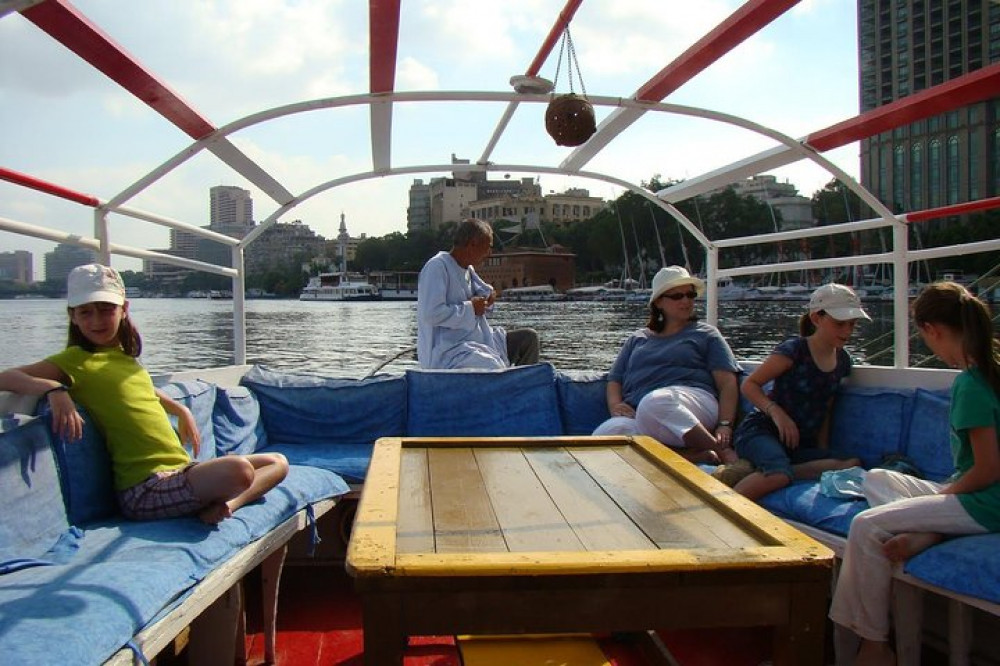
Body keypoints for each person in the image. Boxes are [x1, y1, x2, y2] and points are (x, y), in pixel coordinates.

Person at [0, 264, 288, 525]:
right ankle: (221, 502)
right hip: (143, 488)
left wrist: (180, 409)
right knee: (238, 470)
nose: (96, 320)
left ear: (123, 309)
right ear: (73, 317)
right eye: (86, 312)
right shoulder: (74, 360)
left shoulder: (125, 360)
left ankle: (226, 506)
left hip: (180, 472)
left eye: (106, 309)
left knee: (278, 462)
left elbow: (142, 391)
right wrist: (54, 388)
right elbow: (6, 377)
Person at [828, 282, 1000, 666]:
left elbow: (989, 469)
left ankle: (873, 645)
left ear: (932, 330)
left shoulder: (972, 384)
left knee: (867, 526)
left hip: (985, 502)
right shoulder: (989, 372)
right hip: (975, 493)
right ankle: (932, 530)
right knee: (877, 478)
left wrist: (943, 496)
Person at [729, 283, 865, 499]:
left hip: (798, 443)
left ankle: (766, 470)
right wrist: (778, 414)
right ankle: (724, 509)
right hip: (761, 431)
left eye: (852, 324)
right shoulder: (794, 351)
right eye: (840, 324)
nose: (847, 331)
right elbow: (750, 385)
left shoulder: (843, 361)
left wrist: (821, 448)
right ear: (816, 319)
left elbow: (827, 405)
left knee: (851, 463)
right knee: (778, 474)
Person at [592, 266, 741, 464]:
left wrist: (725, 424)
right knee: (606, 434)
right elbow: (615, 379)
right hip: (641, 413)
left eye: (690, 294)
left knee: (655, 403)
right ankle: (690, 456)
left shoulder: (706, 334)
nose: (686, 300)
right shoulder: (637, 339)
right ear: (659, 302)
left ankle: (721, 453)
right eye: (678, 296)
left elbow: (727, 383)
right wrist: (616, 405)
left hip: (691, 403)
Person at [416, 218, 539, 369]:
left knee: (528, 338)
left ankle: (525, 387)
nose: (489, 253)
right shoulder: (437, 267)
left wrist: (488, 298)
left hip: (475, 341)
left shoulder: (468, 269)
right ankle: (509, 387)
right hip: (448, 351)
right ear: (473, 244)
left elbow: (483, 294)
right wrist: (471, 308)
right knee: (490, 364)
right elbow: (431, 314)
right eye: (488, 247)